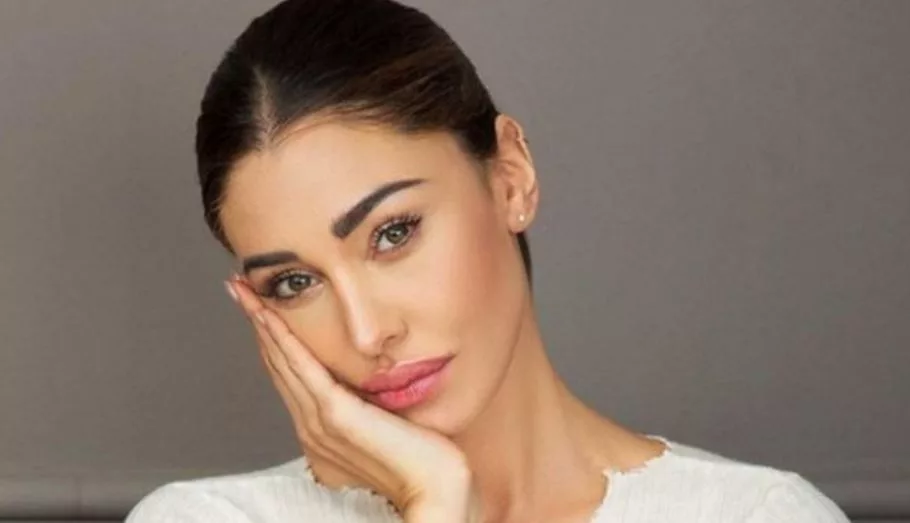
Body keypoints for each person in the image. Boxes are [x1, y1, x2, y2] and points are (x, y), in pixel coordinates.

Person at [126, 0, 850, 521]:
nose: (368, 332)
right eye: (295, 282)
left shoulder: (758, 514)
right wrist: (436, 504)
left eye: (392, 233)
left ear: (510, 177)